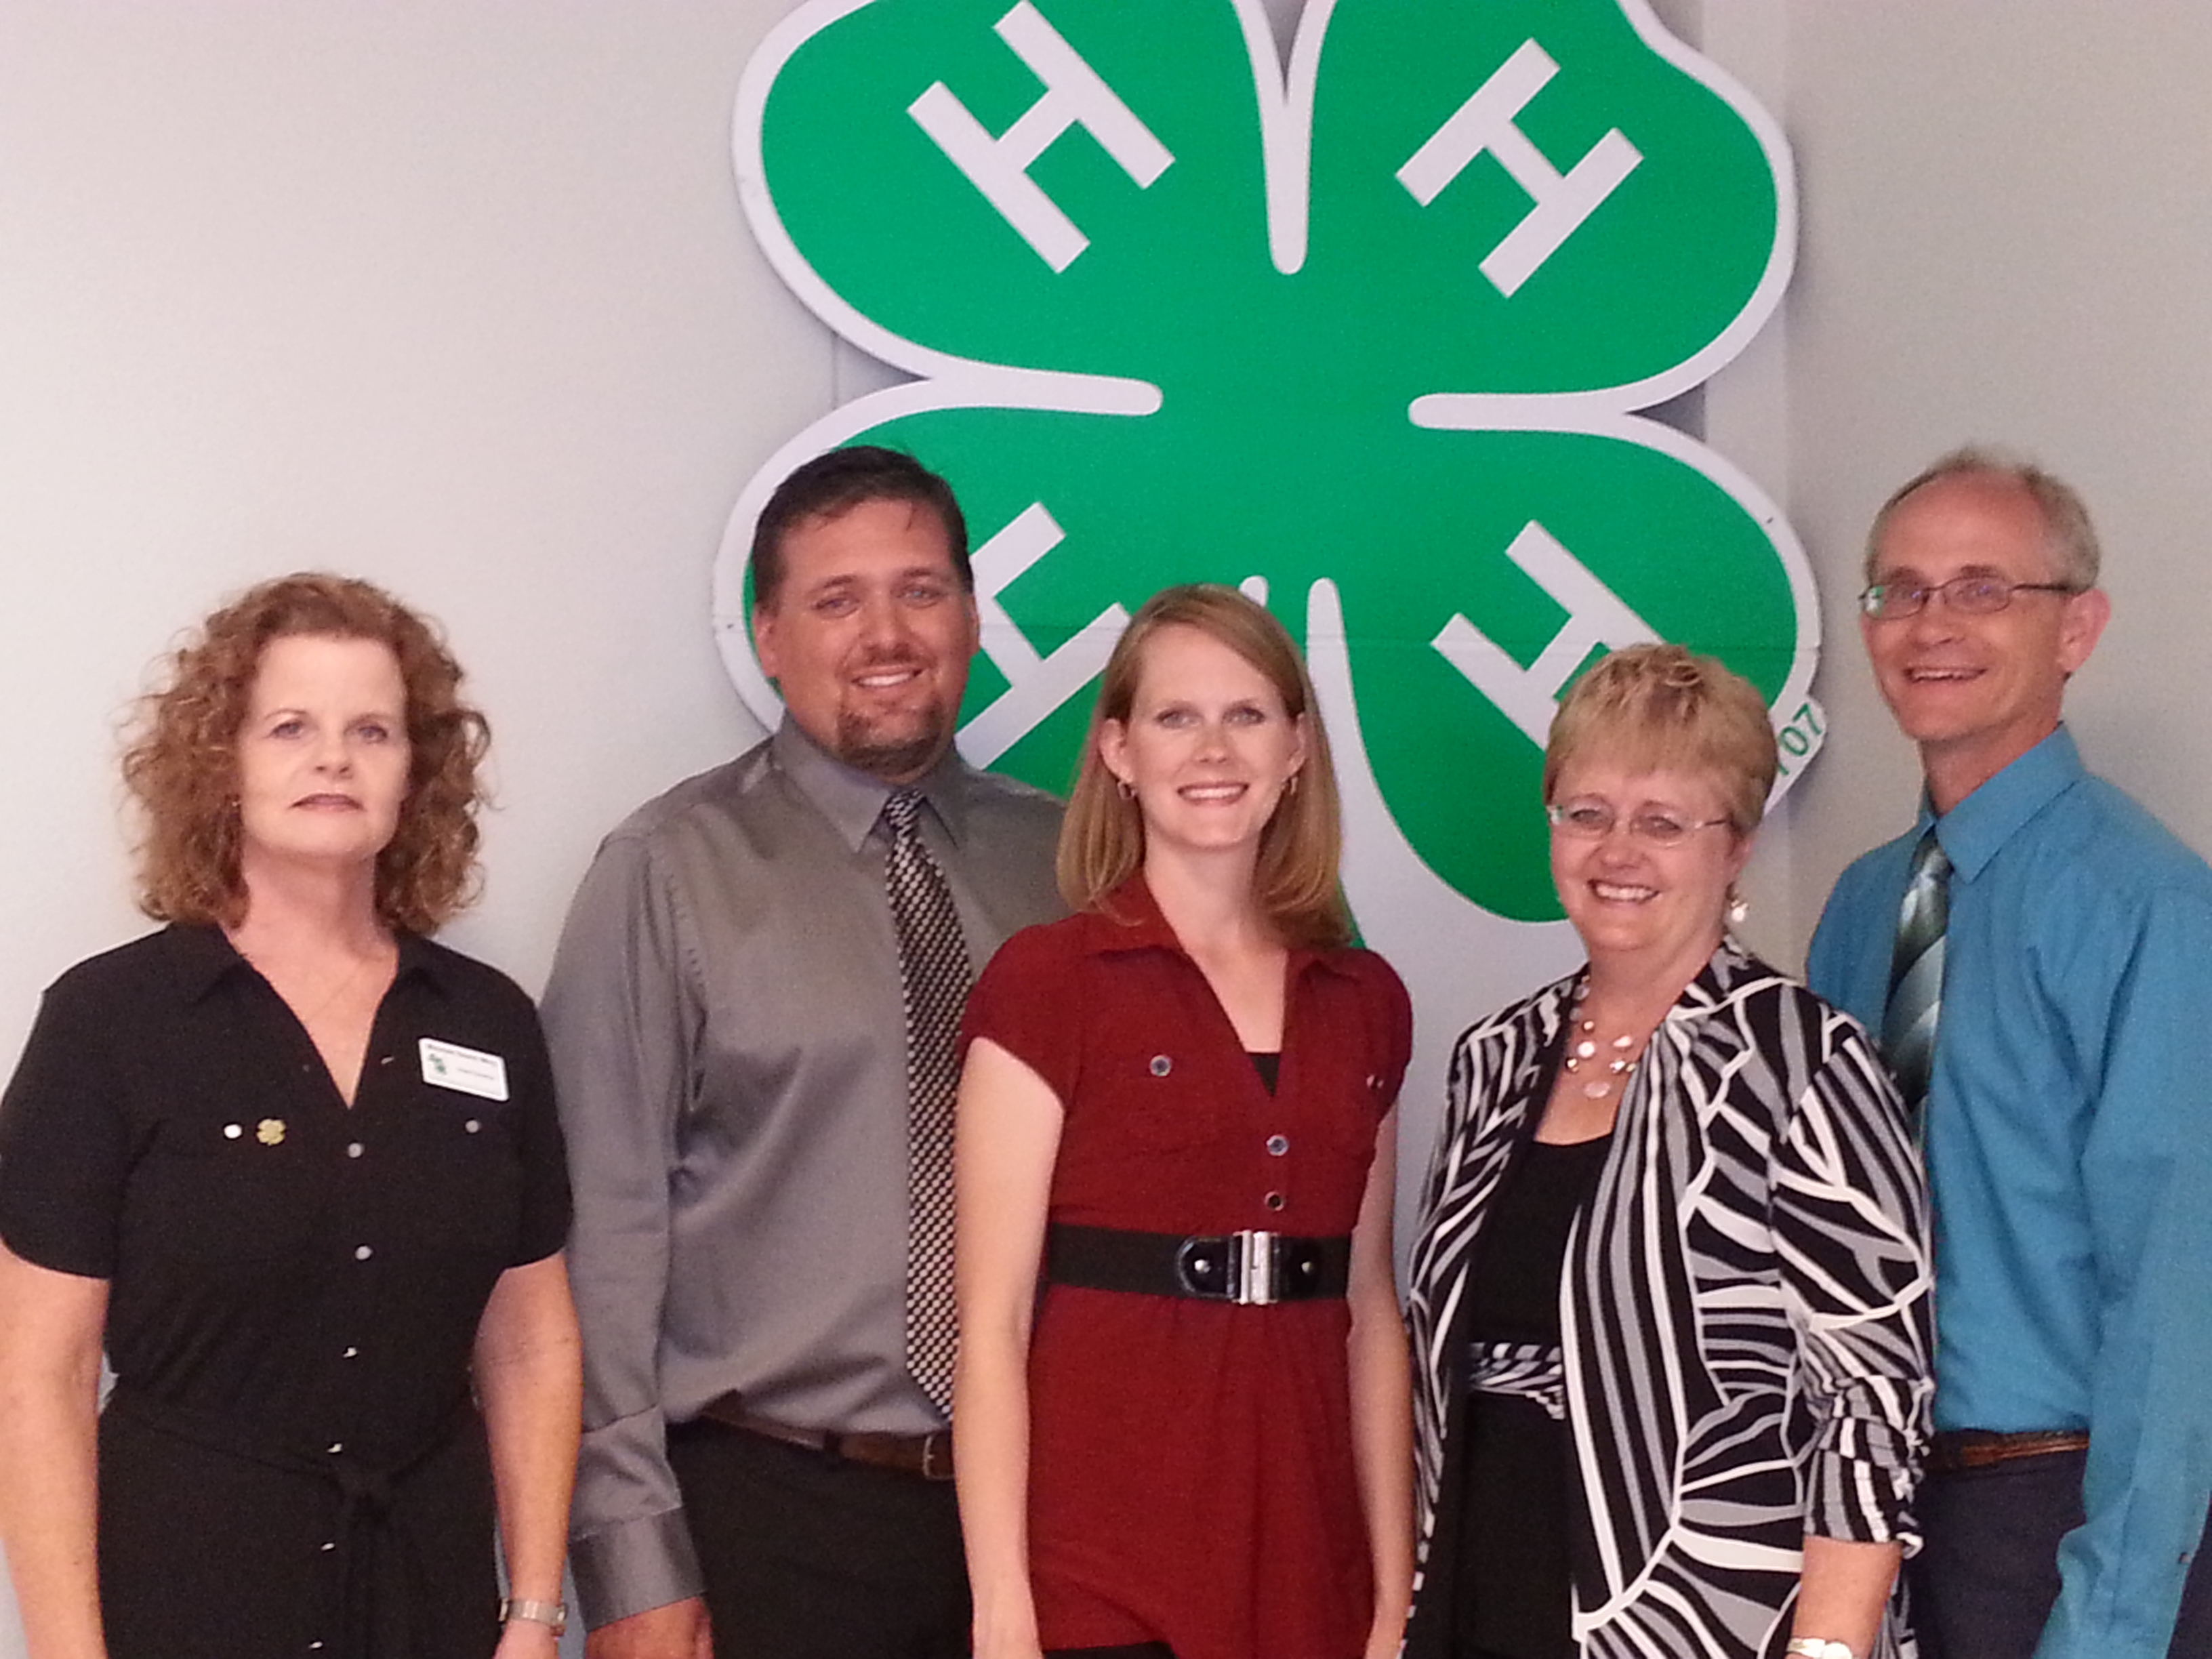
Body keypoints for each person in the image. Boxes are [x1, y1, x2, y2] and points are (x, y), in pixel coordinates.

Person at [543, 445, 1065, 1659]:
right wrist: (630, 1568)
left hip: (1040, 1520)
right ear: (769, 638)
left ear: (974, 615)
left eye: (920, 589)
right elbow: (600, 1240)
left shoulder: (1068, 870)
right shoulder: (669, 871)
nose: (886, 633)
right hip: (770, 1515)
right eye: (837, 600)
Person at [0, 573, 581, 1659]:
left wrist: (535, 1612)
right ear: (222, 763)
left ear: (418, 772)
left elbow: (531, 1341)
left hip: (431, 1589)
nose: (334, 758)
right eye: (290, 727)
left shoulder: (490, 1024)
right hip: (188, 1591)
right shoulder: (110, 1023)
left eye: (372, 729)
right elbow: (41, 1374)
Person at [1404, 643, 1933, 1659]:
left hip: (1716, 1619)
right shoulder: (1494, 1059)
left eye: (1663, 823)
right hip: (1485, 1589)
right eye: (1588, 813)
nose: (1618, 851)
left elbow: (1871, 1401)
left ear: (1735, 846)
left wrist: (1829, 1647)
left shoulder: (1805, 1063)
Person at [955, 583, 1416, 1659]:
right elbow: (993, 1325)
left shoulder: (1368, 1003)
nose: (1214, 749)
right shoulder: (1046, 984)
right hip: (1103, 1565)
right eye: (1176, 717)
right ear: (1118, 749)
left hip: (1311, 1561)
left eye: (1248, 714)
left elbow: (1370, 1311)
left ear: (1298, 745)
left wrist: (1394, 1596)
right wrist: (1003, 1611)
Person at [1807, 450, 2212, 1659]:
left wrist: (2114, 1619)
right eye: (1900, 591)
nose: (1933, 624)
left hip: (2060, 1521)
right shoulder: (1859, 907)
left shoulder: (2152, 909)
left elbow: (2179, 1298)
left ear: (2076, 627)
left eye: (1985, 589)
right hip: (1868, 1512)